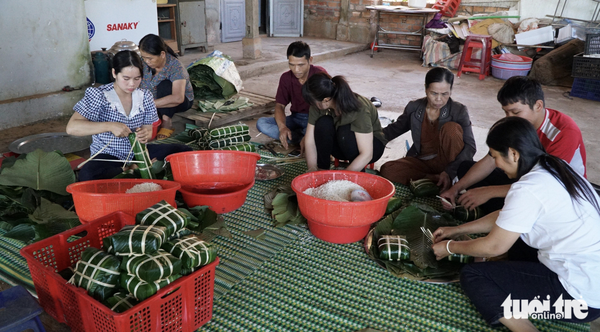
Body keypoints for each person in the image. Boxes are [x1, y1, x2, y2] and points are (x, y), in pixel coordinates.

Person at [431, 116, 600, 332]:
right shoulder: (556, 167)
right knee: (514, 245)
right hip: (592, 283)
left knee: (474, 275)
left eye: (495, 157)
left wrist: (449, 247)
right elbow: (507, 216)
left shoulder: (529, 188)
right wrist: (457, 230)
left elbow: (495, 247)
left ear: (513, 153)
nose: (496, 165)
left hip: (579, 302)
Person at [440, 76, 586, 214]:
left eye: (515, 112)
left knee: (514, 208)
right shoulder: (515, 125)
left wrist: (489, 192)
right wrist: (456, 188)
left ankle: (502, 216)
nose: (509, 118)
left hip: (557, 190)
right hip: (525, 179)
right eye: (506, 112)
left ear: (538, 106)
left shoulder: (563, 132)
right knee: (465, 168)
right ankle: (499, 212)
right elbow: (491, 160)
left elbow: (544, 183)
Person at [66, 51, 191, 181]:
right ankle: (129, 170)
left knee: (183, 151)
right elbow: (72, 127)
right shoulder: (100, 96)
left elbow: (149, 130)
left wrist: (145, 134)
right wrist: (110, 126)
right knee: (89, 175)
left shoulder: (145, 96)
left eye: (137, 79)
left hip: (139, 153)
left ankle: (132, 170)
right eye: (126, 79)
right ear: (115, 73)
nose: (132, 84)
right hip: (108, 156)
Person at [379, 67, 476, 192]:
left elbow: (470, 146)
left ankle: (449, 177)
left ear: (451, 91)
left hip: (450, 163)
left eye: (444, 94)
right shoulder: (414, 108)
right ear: (426, 89)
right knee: (388, 169)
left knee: (451, 129)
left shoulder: (459, 111)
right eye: (434, 93)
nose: (439, 99)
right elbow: (393, 130)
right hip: (422, 161)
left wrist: (449, 171)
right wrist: (369, 137)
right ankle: (433, 179)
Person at [302, 72, 387, 172]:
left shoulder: (360, 108)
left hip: (371, 147)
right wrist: (312, 171)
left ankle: (357, 174)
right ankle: (322, 170)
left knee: (345, 131)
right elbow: (310, 141)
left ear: (326, 100)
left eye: (313, 102)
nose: (312, 105)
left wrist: (343, 178)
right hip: (342, 145)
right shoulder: (318, 104)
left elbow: (367, 154)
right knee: (323, 123)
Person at [256, 41, 326, 151]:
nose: (296, 70)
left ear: (310, 60)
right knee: (262, 123)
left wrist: (309, 130)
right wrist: (282, 127)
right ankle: (301, 138)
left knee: (324, 129)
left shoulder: (319, 74)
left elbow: (326, 107)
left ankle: (304, 137)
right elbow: (280, 106)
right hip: (296, 118)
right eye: (292, 65)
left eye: (301, 65)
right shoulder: (285, 78)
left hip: (315, 118)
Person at [139, 34, 194, 139]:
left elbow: (178, 98)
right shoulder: (144, 63)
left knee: (165, 85)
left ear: (162, 54)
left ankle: (166, 121)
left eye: (150, 58)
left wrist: (149, 104)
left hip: (180, 102)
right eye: (144, 57)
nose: (146, 61)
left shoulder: (175, 67)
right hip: (153, 100)